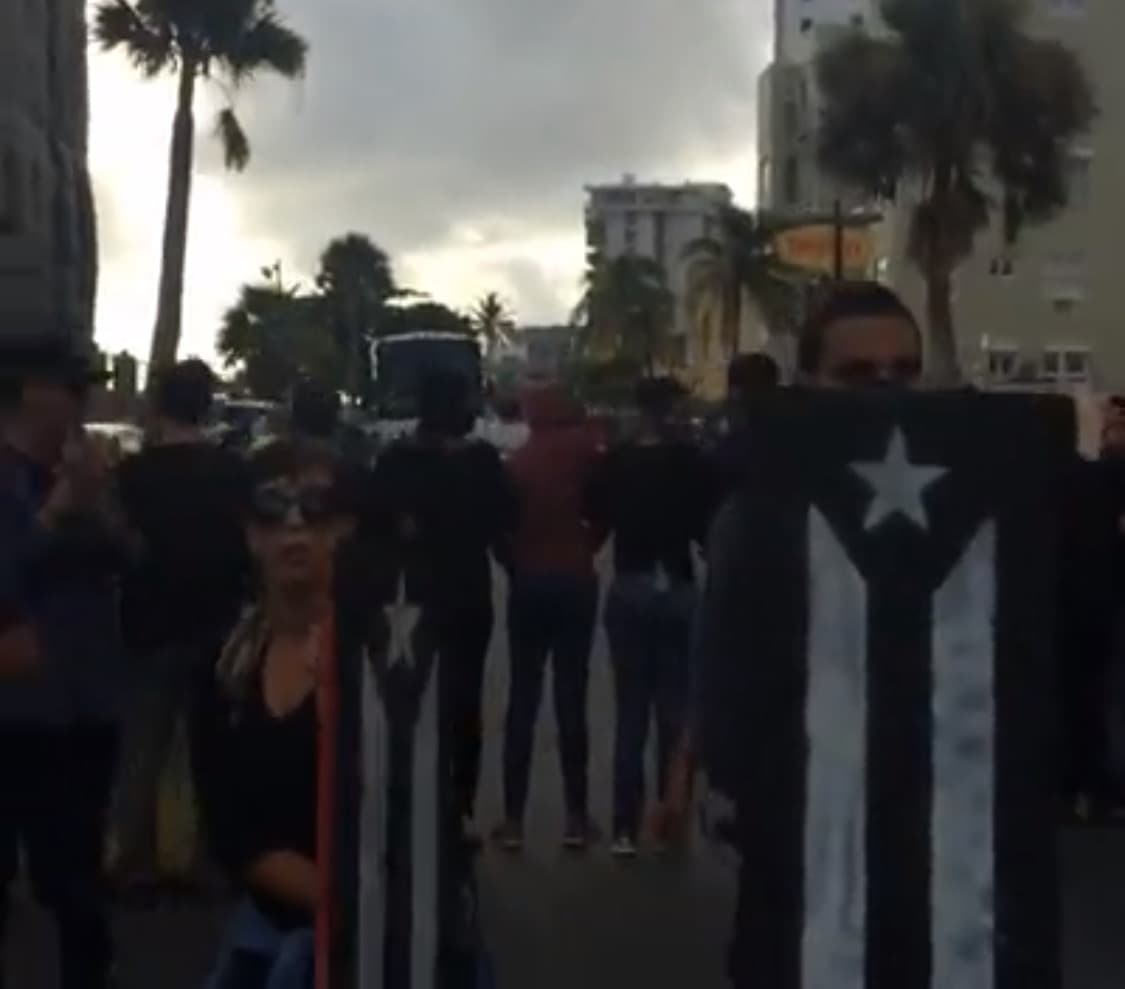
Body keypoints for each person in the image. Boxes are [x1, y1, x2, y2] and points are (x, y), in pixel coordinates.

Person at [194, 440, 354, 989]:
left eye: (314, 508)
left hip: (379, 933)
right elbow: (229, 829)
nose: (293, 529)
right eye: (272, 510)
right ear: (250, 534)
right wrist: (323, 896)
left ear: (342, 528)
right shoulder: (225, 667)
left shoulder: (389, 660)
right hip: (269, 930)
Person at [0, 331, 129, 989]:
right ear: (30, 394)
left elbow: (134, 562)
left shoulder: (79, 475)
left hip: (86, 704)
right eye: (73, 389)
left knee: (74, 878)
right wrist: (53, 514)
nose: (86, 402)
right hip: (19, 711)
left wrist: (96, 504)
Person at [112, 359, 251, 896]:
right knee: (210, 750)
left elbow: (119, 547)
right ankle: (203, 859)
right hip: (215, 622)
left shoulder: (133, 475)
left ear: (158, 405)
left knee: (142, 748)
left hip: (147, 624)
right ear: (207, 404)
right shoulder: (233, 472)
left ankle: (131, 859)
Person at [372, 369, 517, 838]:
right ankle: (460, 806)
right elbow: (504, 522)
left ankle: (411, 803)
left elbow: (377, 523)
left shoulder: (396, 460)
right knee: (464, 702)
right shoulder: (482, 461)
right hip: (469, 594)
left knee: (409, 702)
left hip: (409, 599)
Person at [584, 376, 716, 857]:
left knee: (631, 711)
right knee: (675, 711)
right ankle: (669, 817)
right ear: (672, 409)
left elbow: (593, 513)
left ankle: (623, 826)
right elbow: (708, 527)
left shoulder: (615, 462)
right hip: (678, 585)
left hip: (631, 582)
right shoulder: (690, 462)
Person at [494, 385, 605, 853]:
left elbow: (499, 531)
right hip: (575, 579)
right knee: (571, 697)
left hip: (529, 584)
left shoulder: (516, 464)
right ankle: (576, 817)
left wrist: (516, 564)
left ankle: (514, 820)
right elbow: (605, 511)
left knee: (523, 698)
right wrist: (587, 548)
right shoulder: (587, 455)